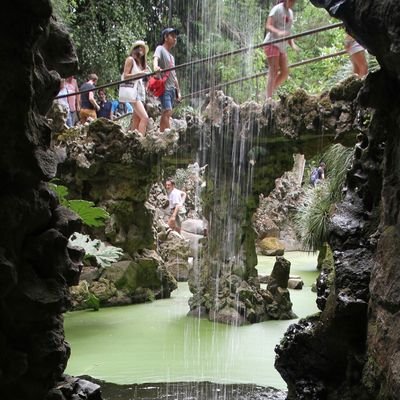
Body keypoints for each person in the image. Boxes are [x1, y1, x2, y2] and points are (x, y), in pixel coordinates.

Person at [263, 0, 299, 99]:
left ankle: (268, 92)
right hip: (271, 42)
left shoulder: (291, 13)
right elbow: (268, 25)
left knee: (285, 72)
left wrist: (292, 44)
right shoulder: (277, 9)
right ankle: (268, 98)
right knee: (273, 69)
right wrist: (278, 32)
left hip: (281, 46)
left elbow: (288, 32)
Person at [153, 27, 182, 132]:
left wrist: (178, 91)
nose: (175, 39)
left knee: (166, 112)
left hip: (171, 88)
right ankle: (169, 134)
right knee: (168, 111)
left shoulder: (171, 57)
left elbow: (174, 75)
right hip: (164, 87)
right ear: (165, 37)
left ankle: (161, 133)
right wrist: (156, 67)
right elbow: (155, 59)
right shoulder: (160, 49)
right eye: (172, 36)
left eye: (176, 37)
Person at [120, 40, 150, 135]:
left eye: (143, 49)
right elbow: (125, 76)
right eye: (140, 48)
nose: (142, 50)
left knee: (137, 118)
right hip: (133, 94)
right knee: (145, 118)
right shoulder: (130, 59)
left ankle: (132, 139)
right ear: (135, 49)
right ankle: (140, 140)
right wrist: (140, 73)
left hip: (139, 93)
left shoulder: (140, 64)